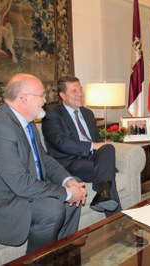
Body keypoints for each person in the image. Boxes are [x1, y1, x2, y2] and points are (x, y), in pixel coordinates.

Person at [0, 73, 87, 254]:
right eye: (42, 95)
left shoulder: (27, 122)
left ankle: (62, 253)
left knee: (75, 182)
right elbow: (20, 184)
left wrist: (67, 181)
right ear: (24, 98)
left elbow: (43, 158)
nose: (45, 100)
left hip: (19, 187)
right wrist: (67, 193)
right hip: (0, 198)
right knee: (52, 209)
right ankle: (39, 260)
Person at [42, 75, 122, 217]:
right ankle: (117, 220)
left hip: (91, 158)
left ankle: (104, 194)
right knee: (106, 173)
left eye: (80, 90)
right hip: (69, 162)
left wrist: (98, 147)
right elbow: (61, 142)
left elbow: (97, 141)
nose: (80, 94)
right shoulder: (52, 115)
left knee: (108, 147)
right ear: (62, 95)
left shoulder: (88, 113)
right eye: (74, 91)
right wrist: (92, 146)